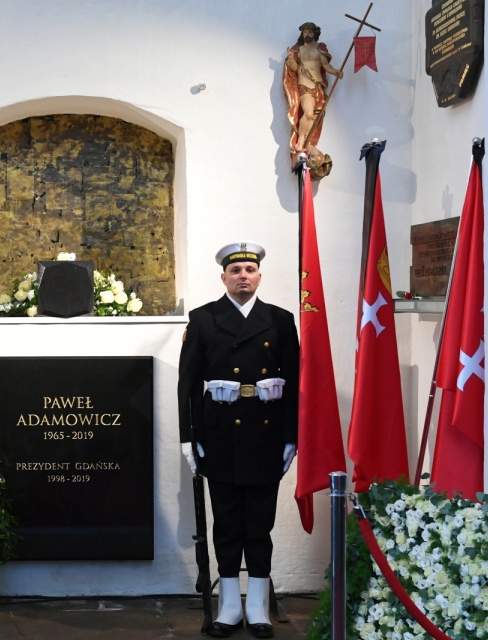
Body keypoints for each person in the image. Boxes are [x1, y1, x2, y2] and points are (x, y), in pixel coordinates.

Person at [178, 242, 299, 639]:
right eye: (236, 270)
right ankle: (230, 607)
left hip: (266, 438)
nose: (243, 275)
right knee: (227, 525)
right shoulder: (203, 319)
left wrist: (290, 436)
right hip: (220, 437)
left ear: (259, 275)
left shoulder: (280, 321)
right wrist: (188, 437)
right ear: (224, 277)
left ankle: (258, 607)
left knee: (259, 525)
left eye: (249, 269)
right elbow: (188, 385)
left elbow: (296, 384)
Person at [283, 22, 343, 163]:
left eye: (310, 32)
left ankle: (307, 143)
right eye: (305, 32)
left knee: (315, 117)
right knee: (308, 113)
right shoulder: (298, 49)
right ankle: (301, 140)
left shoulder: (319, 49)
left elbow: (326, 66)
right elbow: (293, 68)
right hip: (304, 84)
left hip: (318, 86)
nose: (307, 35)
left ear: (315, 33)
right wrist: (291, 60)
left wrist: (336, 72)